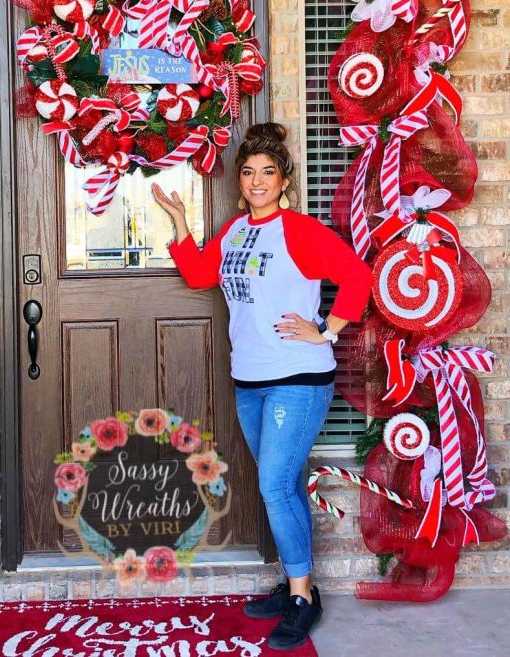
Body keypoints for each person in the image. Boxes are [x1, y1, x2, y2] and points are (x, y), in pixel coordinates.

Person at [152, 122, 372, 652]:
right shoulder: (233, 231)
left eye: (267, 173)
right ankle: (299, 583)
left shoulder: (300, 230)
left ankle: (302, 599)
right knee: (284, 485)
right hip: (249, 380)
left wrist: (326, 329)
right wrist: (182, 223)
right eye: (248, 172)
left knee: (274, 486)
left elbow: (358, 276)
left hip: (297, 377)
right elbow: (204, 276)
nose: (256, 181)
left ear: (284, 179)